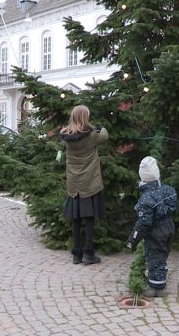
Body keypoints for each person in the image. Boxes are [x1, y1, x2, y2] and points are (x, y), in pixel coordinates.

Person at [60, 105, 108, 265]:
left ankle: (76, 254)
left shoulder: (65, 135)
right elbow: (105, 136)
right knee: (89, 218)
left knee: (75, 218)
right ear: (85, 118)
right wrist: (100, 127)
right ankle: (89, 253)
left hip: (74, 184)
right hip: (90, 182)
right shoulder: (92, 135)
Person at [127, 156, 177, 297]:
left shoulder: (146, 198)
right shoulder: (169, 190)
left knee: (154, 257)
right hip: (169, 226)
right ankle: (161, 276)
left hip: (155, 231)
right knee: (163, 253)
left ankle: (157, 287)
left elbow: (144, 223)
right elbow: (173, 206)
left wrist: (133, 240)